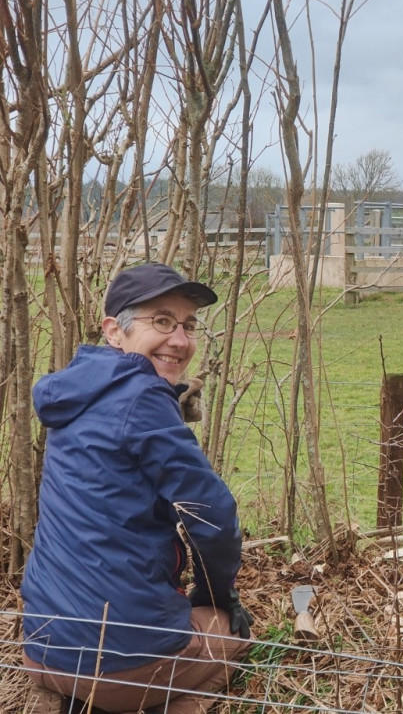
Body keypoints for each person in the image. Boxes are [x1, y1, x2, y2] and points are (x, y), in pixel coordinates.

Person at [20, 263, 252, 714]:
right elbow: (215, 519)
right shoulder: (143, 398)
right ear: (114, 330)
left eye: (188, 325)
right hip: (117, 664)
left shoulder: (77, 390)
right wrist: (215, 596)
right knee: (232, 634)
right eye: (161, 321)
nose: (180, 340)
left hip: (42, 646)